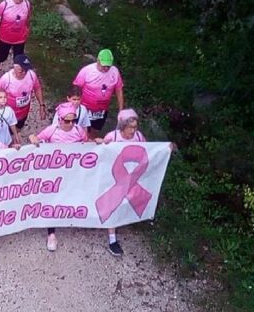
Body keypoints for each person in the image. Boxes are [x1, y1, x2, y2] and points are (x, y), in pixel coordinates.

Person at [100, 109, 176, 257]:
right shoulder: (112, 136)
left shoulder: (139, 136)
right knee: (113, 204)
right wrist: (100, 143)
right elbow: (102, 153)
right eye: (131, 127)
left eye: (135, 127)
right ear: (122, 126)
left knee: (127, 202)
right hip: (115, 177)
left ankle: (129, 219)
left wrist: (166, 149)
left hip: (132, 178)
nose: (134, 130)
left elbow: (149, 152)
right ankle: (112, 239)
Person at [29, 101, 101, 252]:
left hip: (73, 173)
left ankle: (75, 217)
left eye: (73, 120)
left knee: (71, 195)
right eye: (67, 121)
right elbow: (36, 139)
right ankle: (51, 234)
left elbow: (87, 146)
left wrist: (97, 142)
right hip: (54, 174)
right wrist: (32, 138)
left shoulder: (79, 130)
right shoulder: (52, 130)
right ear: (60, 119)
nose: (70, 124)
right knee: (52, 200)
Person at [73, 49, 125, 138]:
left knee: (95, 130)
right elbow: (76, 87)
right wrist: (74, 105)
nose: (106, 68)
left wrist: (121, 110)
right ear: (98, 61)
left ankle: (91, 148)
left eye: (108, 66)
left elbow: (119, 90)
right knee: (82, 130)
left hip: (102, 109)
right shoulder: (87, 71)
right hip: (86, 107)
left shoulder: (115, 72)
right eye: (103, 65)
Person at [0, 54, 46, 131]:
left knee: (19, 127)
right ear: (15, 67)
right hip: (8, 113)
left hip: (24, 113)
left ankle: (16, 133)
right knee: (6, 130)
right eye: (21, 71)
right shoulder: (6, 79)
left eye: (26, 70)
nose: (24, 73)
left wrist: (42, 106)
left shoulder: (32, 75)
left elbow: (37, 88)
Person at [0, 0, 32, 73]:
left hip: (20, 38)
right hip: (5, 37)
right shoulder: (5, 4)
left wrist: (27, 30)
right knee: (3, 56)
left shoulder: (27, 4)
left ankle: (16, 75)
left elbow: (28, 18)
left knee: (18, 59)